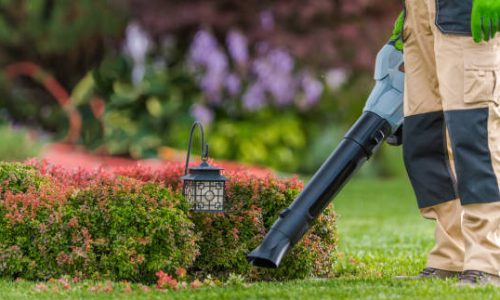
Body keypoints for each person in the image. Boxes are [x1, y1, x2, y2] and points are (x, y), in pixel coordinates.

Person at [391, 0, 500, 286]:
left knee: (474, 135)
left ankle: (488, 258)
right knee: (425, 136)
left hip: (466, 9)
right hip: (421, 13)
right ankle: (453, 254)